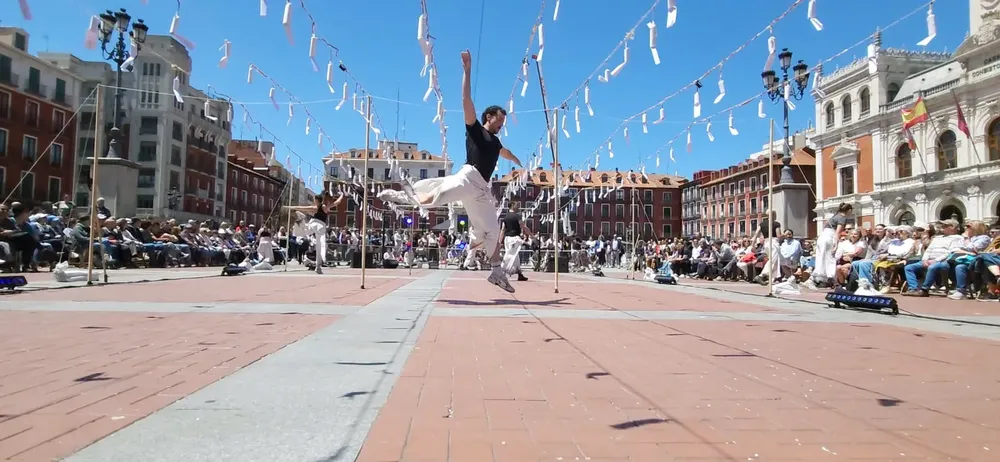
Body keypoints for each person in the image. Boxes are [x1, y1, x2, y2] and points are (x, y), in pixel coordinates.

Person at [378, 49, 522, 292]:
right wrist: (467, 71)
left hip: (481, 189)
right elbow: (466, 102)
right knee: (435, 198)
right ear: (489, 117)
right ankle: (402, 196)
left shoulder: (496, 142)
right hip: (468, 178)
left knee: (492, 229)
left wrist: (517, 160)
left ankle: (497, 272)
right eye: (499, 121)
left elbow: (503, 151)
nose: (501, 125)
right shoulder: (476, 130)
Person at [285, 192, 344, 274]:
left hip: (314, 224)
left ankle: (318, 266)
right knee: (320, 245)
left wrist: (290, 207)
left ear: (317, 201)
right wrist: (342, 195)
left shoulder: (316, 207)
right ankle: (319, 264)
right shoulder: (326, 207)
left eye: (314, 200)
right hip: (320, 226)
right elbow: (337, 202)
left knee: (304, 232)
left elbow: (302, 208)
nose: (314, 201)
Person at [805, 203, 853, 290]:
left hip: (823, 237)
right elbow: (838, 232)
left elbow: (825, 226)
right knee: (829, 259)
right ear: (849, 210)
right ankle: (825, 279)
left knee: (822, 259)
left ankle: (827, 280)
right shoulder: (842, 217)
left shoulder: (835, 216)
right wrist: (836, 243)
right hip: (829, 238)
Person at [500, 201, 532, 282]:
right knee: (510, 255)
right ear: (512, 206)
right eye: (517, 205)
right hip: (514, 239)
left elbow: (503, 230)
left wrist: (500, 241)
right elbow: (523, 227)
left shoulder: (505, 217)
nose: (518, 207)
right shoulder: (517, 216)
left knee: (515, 256)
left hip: (507, 239)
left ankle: (520, 274)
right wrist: (531, 235)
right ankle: (500, 274)